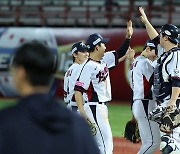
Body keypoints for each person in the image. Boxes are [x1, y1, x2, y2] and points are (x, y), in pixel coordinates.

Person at [0, 41, 100, 154]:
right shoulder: (78, 125)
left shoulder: (6, 122)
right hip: (73, 109)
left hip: (69, 104)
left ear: (21, 72)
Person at [74, 20, 133, 154]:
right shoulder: (87, 66)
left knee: (102, 145)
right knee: (105, 146)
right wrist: (83, 113)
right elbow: (78, 91)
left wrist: (128, 37)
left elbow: (120, 52)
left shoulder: (103, 59)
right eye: (102, 43)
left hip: (100, 107)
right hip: (94, 107)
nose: (105, 45)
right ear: (96, 47)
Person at [139, 7, 180, 153]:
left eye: (162, 35)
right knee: (170, 143)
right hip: (166, 102)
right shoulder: (166, 52)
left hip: (172, 103)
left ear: (166, 38)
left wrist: (172, 103)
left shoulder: (175, 55)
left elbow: (177, 81)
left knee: (170, 145)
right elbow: (155, 38)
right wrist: (146, 21)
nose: (159, 37)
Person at [127, 40, 161, 154]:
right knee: (153, 142)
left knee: (148, 142)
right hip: (145, 103)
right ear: (147, 49)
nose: (156, 55)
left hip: (139, 103)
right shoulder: (145, 63)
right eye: (155, 52)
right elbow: (156, 80)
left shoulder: (134, 64)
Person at [64, 41, 89, 112]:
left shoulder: (70, 70)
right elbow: (77, 90)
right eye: (83, 52)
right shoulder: (79, 69)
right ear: (75, 54)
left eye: (87, 51)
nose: (87, 54)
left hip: (71, 106)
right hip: (76, 107)